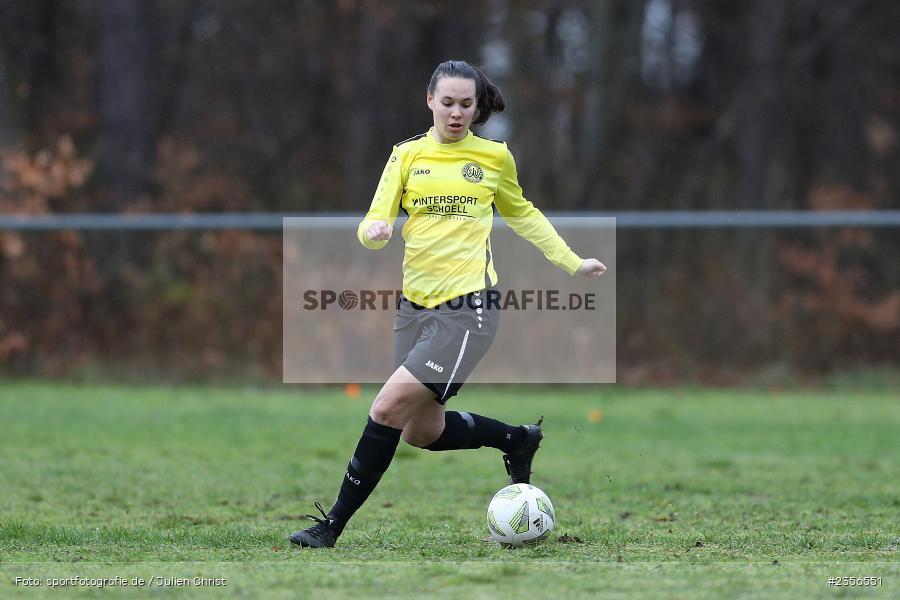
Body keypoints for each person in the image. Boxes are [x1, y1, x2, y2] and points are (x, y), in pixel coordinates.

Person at [291, 60, 606, 548]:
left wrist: (571, 262)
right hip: (413, 310)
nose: (456, 113)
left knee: (386, 407)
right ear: (430, 101)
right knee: (421, 430)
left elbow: (524, 216)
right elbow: (374, 221)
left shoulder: (495, 157)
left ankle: (330, 525)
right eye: (448, 102)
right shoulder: (406, 156)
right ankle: (516, 440)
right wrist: (374, 231)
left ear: (477, 108)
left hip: (468, 311)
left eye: (466, 104)